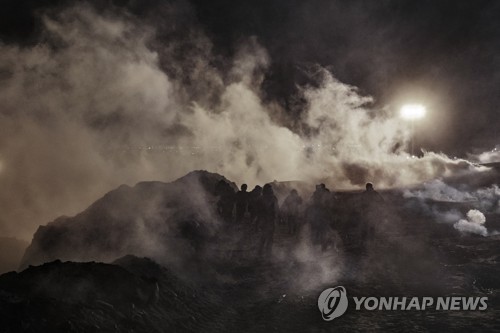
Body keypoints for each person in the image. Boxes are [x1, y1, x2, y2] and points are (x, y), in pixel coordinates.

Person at [256, 184, 278, 256]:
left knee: (270, 238)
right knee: (263, 237)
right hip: (264, 220)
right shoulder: (261, 199)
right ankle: (260, 252)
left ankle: (268, 252)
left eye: (270, 189)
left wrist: (277, 216)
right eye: (268, 189)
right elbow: (258, 211)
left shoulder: (273, 198)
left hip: (271, 220)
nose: (270, 190)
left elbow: (276, 208)